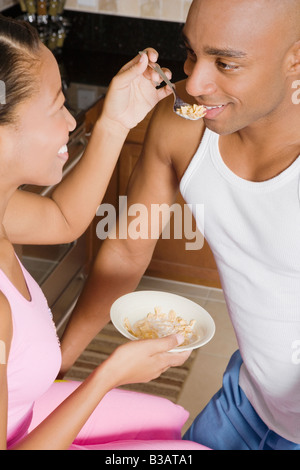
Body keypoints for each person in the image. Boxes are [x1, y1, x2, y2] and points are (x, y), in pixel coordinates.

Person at [58, 0, 300, 451]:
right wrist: (59, 362)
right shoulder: (181, 123)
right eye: (191, 53)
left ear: (296, 58)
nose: (197, 83)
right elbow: (129, 248)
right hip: (245, 398)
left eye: (226, 62)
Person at [0, 14, 209, 450]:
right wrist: (107, 376)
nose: (72, 123)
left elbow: (61, 217)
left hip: (22, 409)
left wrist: (116, 121)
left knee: (165, 421)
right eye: (58, 106)